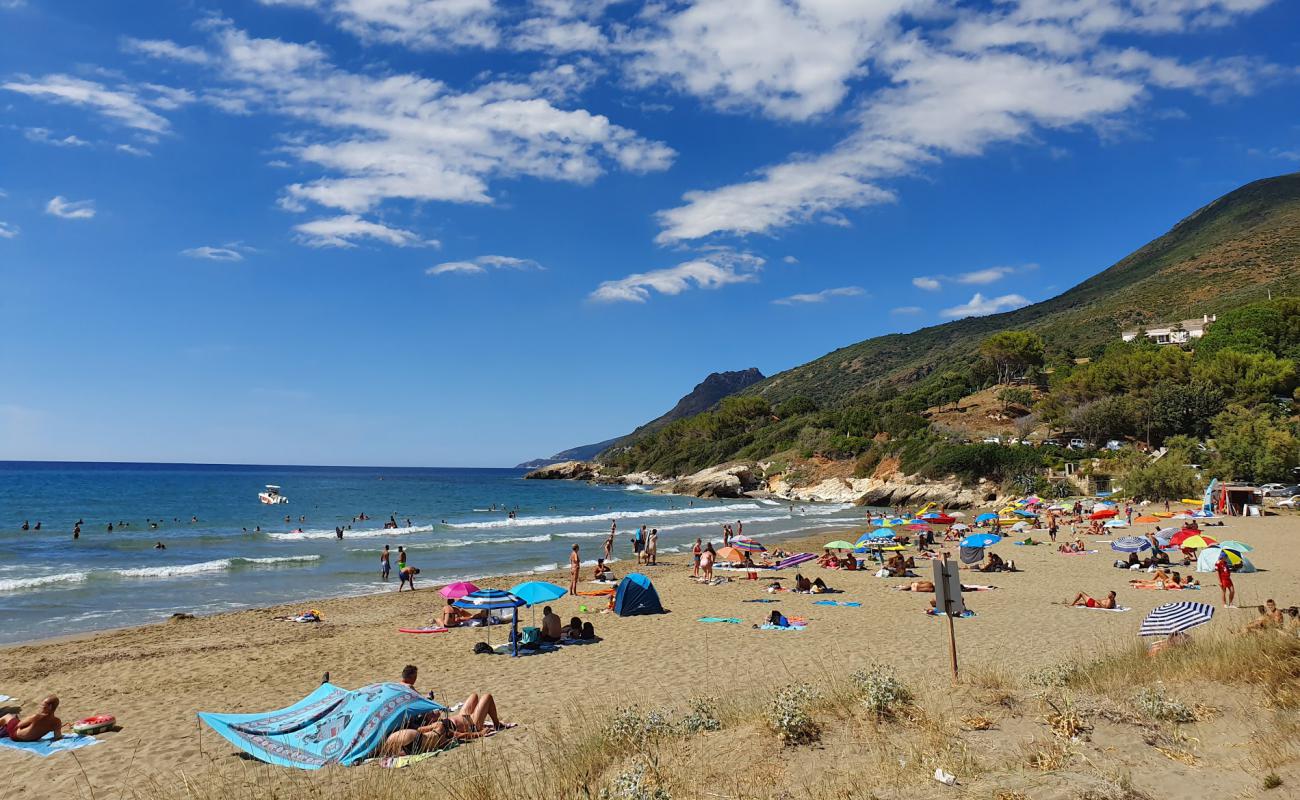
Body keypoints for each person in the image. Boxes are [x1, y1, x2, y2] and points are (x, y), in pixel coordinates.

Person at [381, 693, 512, 755]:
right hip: (472, 723)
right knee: (487, 696)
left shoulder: (426, 729)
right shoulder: (441, 732)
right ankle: (497, 724)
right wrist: (479, 733)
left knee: (474, 696)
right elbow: (460, 735)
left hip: (460, 717)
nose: (434, 713)